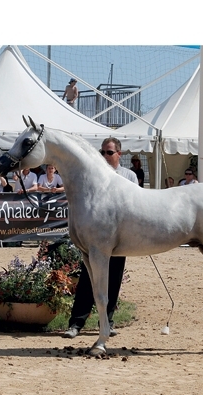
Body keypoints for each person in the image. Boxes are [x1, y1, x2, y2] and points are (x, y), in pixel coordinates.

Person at [63, 137, 138, 339]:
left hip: (120, 236)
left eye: (109, 152)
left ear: (119, 154)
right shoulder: (93, 175)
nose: (105, 156)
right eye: (102, 152)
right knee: (87, 279)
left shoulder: (128, 176)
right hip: (97, 237)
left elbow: (135, 204)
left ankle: (107, 321)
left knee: (114, 281)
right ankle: (76, 323)